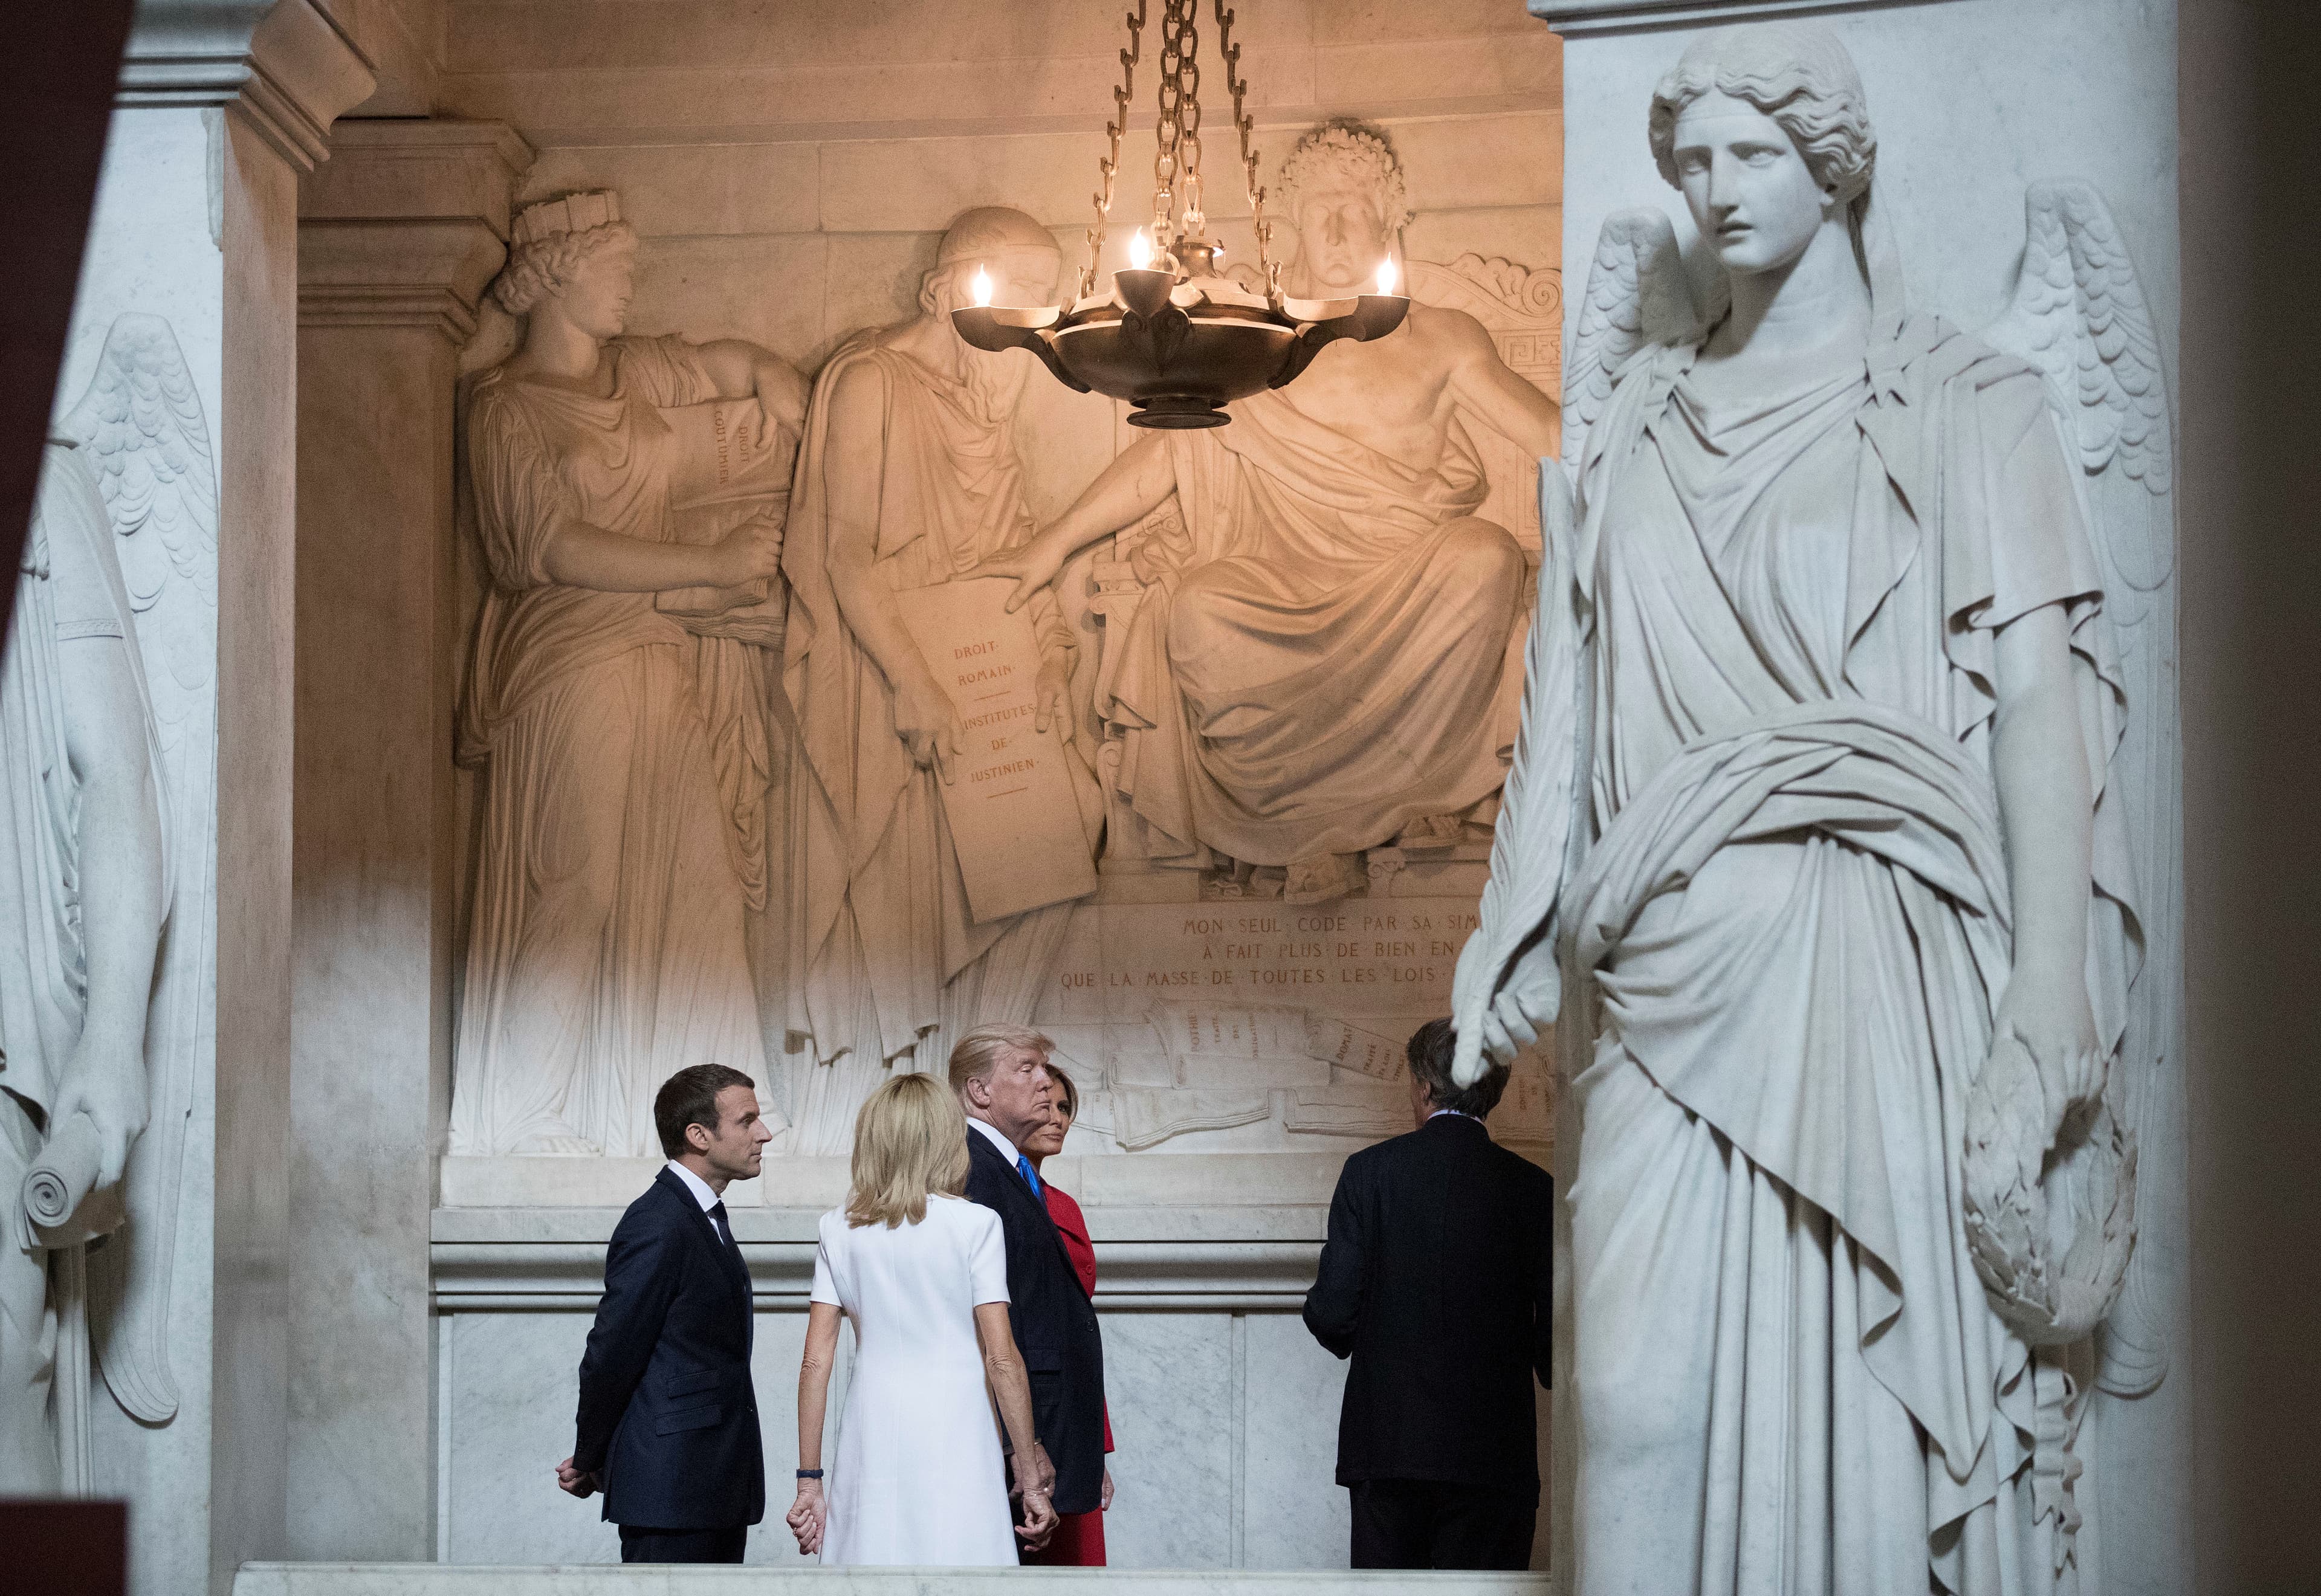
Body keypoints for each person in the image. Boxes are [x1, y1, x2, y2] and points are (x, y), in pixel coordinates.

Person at [1454, 24, 2141, 1594]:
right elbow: (1572, 688)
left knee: (1872, 1445)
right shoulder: (1638, 423)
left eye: (1751, 153)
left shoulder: (1974, 402)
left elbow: (2041, 699)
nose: (1716, 189)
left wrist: (2049, 979)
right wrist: (1512, 925)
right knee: (1624, 1407)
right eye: (1692, 161)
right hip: (1654, 969)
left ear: (1835, 162)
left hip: (1870, 954)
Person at [976, 122, 1561, 903]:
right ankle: (1304, 824)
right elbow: (1168, 448)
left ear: (1393, 221)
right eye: (1318, 211)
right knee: (1199, 607)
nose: (1337, 231)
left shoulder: (1446, 342)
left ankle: (1420, 794)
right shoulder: (1260, 341)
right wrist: (1051, 543)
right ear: (1287, 225)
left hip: (1409, 575)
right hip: (1279, 578)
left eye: (1355, 209)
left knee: (1484, 557)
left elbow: (1556, 436)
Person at [449, 190, 807, 1157]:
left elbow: (731, 363)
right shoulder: (506, 409)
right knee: (577, 887)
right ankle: (529, 1116)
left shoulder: (636, 372)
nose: (631, 285)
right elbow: (551, 546)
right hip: (570, 664)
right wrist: (712, 561)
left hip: (659, 655)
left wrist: (777, 381)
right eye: (616, 268)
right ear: (558, 274)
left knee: (697, 886)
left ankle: (723, 1126)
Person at [781, 207, 1100, 1150]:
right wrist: (914, 684)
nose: (1035, 317)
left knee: (1071, 813)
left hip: (985, 655)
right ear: (948, 287)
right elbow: (842, 551)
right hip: (896, 663)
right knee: (902, 890)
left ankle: (982, 1074)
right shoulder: (873, 380)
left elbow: (1012, 550)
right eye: (1021, 291)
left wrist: (1048, 650)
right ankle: (899, 1112)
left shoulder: (987, 401)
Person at [1302, 1018, 1551, 1571]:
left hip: (1387, 1453)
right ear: (1495, 1091)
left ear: (1424, 1086)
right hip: (1494, 1458)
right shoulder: (1534, 1189)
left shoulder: (1368, 1174)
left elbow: (1332, 1313)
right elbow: (1558, 1344)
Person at [786, 1072, 1056, 1563]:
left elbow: (814, 1363)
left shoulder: (837, 1227)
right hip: (959, 1427)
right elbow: (1002, 1358)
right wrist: (1032, 1480)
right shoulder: (976, 1224)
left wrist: (809, 1481)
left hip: (871, 1427)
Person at [557, 1064, 775, 1562]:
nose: (764, 1133)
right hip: (671, 1493)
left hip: (709, 1487)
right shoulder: (658, 1221)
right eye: (747, 1121)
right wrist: (591, 1456)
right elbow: (611, 1353)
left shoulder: (699, 1214)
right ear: (699, 1135)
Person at [951, 1025, 1109, 1554]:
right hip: (1020, 1433)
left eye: (1046, 1069)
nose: (1045, 1083)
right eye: (1027, 1069)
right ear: (980, 1091)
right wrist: (1022, 1443)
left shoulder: (1011, 1169)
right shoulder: (974, 1171)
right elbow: (988, 1325)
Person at [1018, 1062, 1115, 1566]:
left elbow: (1080, 1333)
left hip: (1074, 1413)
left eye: (1064, 1108)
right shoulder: (991, 1196)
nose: (1057, 1119)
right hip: (1025, 1421)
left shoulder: (1066, 1205)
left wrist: (1097, 1448)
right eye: (1046, 1106)